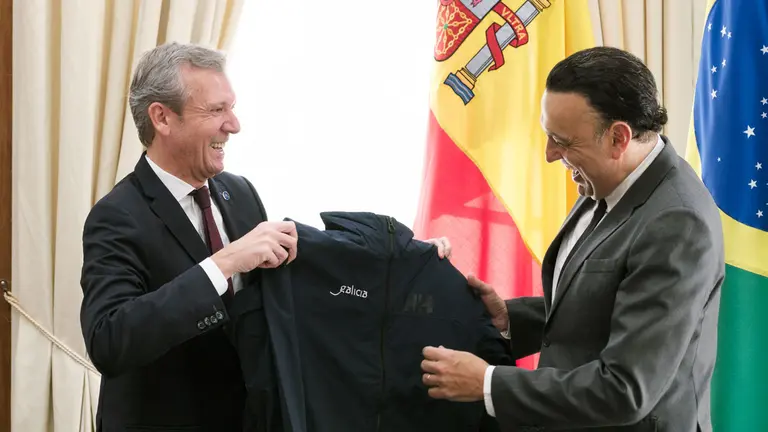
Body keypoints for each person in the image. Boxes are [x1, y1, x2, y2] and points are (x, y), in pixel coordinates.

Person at [80, 42, 452, 431]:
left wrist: (411, 259)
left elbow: (299, 275)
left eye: (232, 107)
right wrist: (222, 265)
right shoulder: (116, 216)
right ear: (162, 118)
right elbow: (109, 340)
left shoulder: (239, 193)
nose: (234, 124)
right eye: (216, 110)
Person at [420, 46, 724, 432]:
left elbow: (625, 389)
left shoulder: (678, 224)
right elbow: (605, 301)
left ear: (618, 138)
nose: (550, 154)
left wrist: (487, 384)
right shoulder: (606, 178)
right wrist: (512, 319)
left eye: (562, 141)